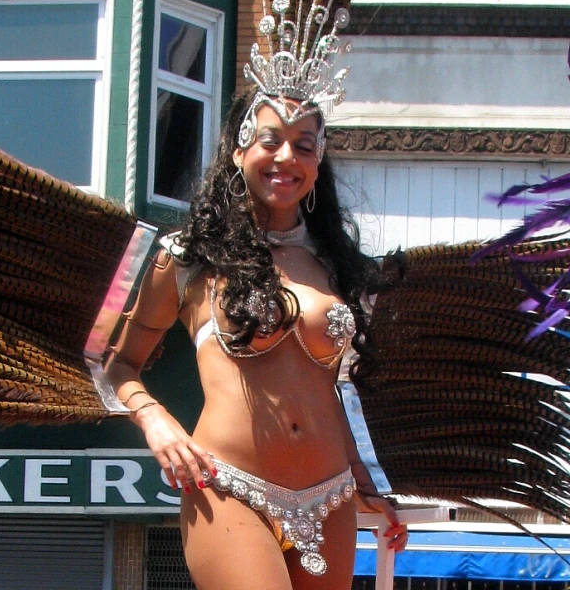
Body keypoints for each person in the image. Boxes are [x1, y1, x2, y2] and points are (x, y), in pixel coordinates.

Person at [106, 82, 408, 589]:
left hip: (330, 497)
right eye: (271, 140)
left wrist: (367, 484)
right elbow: (112, 363)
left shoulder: (340, 268)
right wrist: (154, 419)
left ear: (319, 161)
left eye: (305, 146)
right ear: (239, 148)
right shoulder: (188, 258)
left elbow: (338, 392)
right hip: (228, 487)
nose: (286, 157)